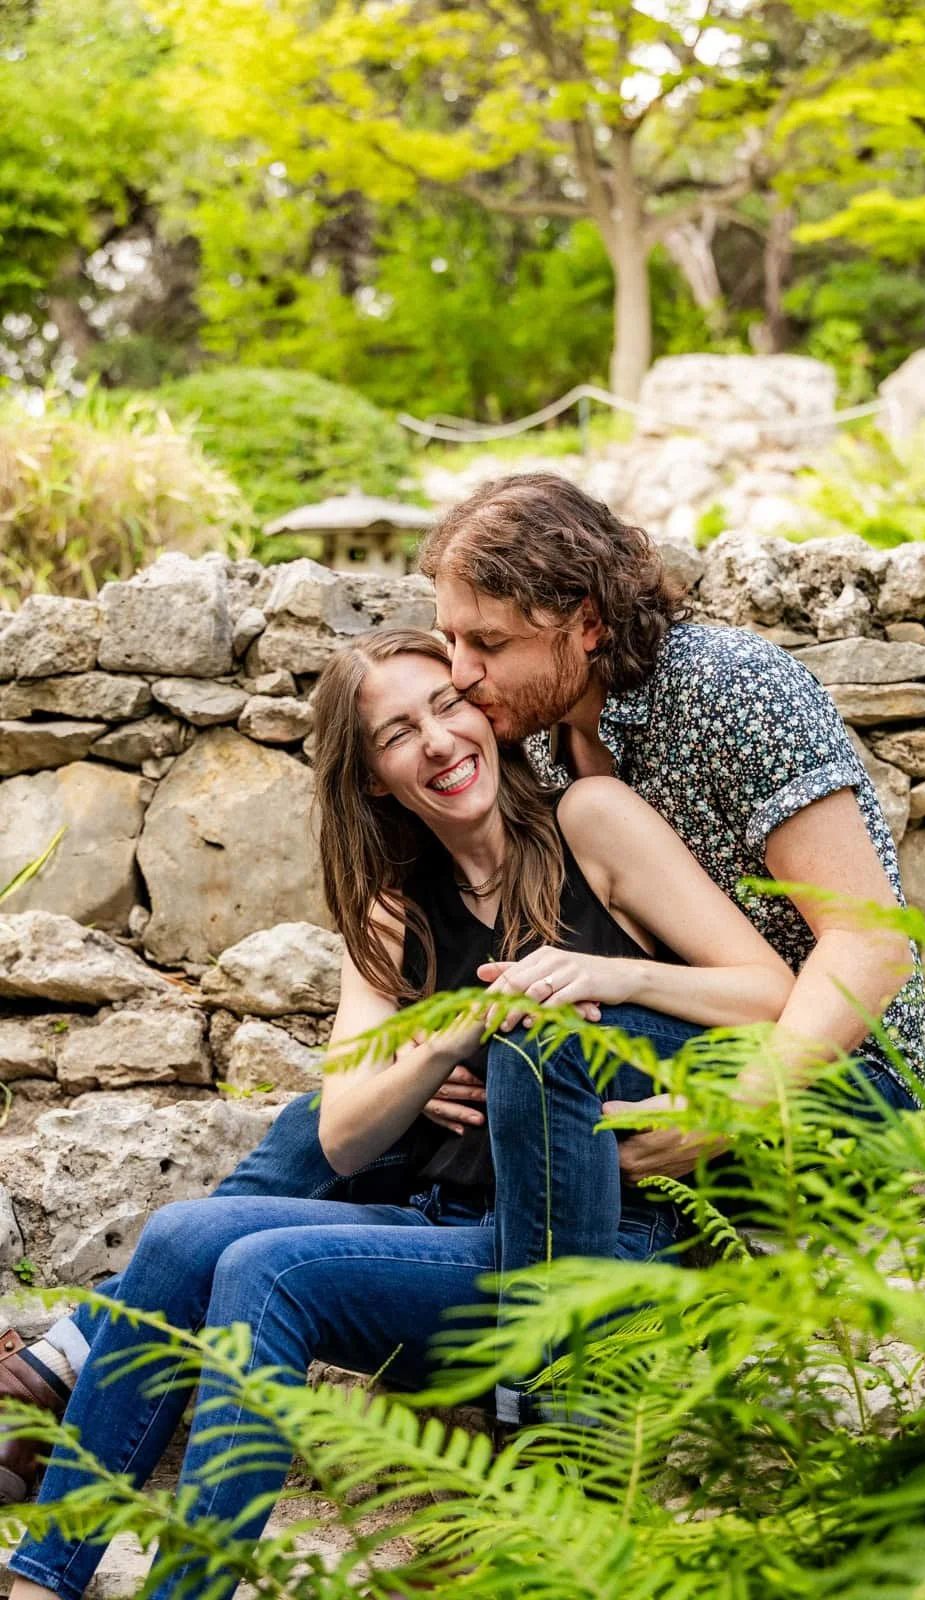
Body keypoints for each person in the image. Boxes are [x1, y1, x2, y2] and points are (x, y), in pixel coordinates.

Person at [0, 468, 925, 1491]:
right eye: (452, 642)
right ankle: (99, 1352)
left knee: (534, 1034)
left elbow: (865, 948)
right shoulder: (540, 724)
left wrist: (727, 1108)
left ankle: (553, 1417)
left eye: (481, 645)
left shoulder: (728, 688)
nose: (462, 673)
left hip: (823, 1073)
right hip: (648, 1038)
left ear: (582, 621)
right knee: (383, 1090)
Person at [6, 626, 800, 1600]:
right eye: (395, 733)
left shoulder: (591, 821)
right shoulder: (390, 905)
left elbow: (770, 990)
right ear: (374, 777)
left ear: (487, 711)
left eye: (447, 704)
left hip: (602, 1236)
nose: (435, 740)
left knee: (269, 1268)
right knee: (180, 1234)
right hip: (444, 1228)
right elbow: (342, 1131)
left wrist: (604, 970)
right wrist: (447, 1037)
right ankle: (44, 1576)